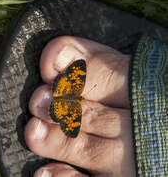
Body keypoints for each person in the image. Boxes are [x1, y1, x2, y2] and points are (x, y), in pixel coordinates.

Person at [24, 36, 167, 177]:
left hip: (65, 88)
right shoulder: (77, 107)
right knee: (78, 114)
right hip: (66, 102)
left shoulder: (77, 92)